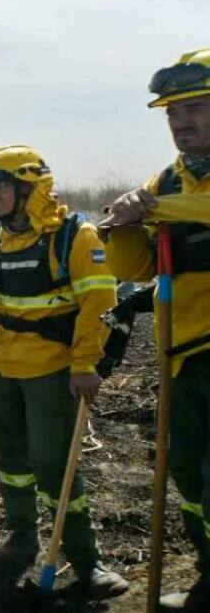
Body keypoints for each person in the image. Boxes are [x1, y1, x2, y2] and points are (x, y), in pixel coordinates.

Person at [0, 146, 127, 598]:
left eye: (0, 186)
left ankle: (87, 561)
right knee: (9, 459)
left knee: (54, 465)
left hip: (52, 373)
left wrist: (85, 364)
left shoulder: (75, 237)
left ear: (31, 187)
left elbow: (98, 304)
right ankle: (23, 538)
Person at [103, 46, 210, 609]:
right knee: (190, 475)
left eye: (195, 107)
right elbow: (136, 269)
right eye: (172, 112)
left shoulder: (168, 196)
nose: (180, 121)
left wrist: (157, 209)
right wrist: (123, 225)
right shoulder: (167, 180)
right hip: (184, 353)